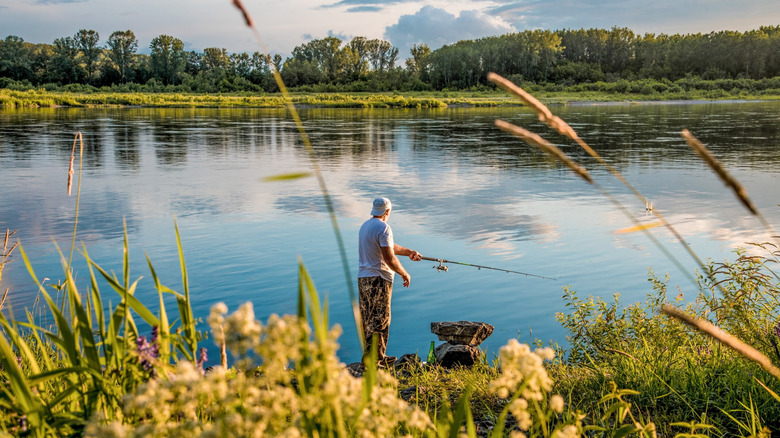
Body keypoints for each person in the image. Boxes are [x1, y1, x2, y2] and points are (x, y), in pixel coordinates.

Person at [358, 197, 422, 364]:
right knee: (381, 319)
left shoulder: (365, 226)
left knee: (368, 319)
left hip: (363, 279)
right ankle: (377, 360)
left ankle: (370, 357)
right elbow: (389, 258)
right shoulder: (384, 228)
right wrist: (404, 273)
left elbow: (390, 247)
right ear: (387, 212)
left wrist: (409, 252)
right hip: (379, 279)